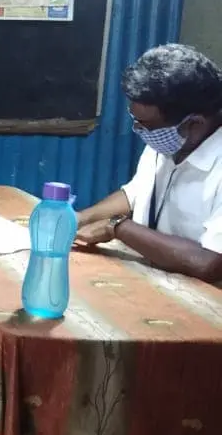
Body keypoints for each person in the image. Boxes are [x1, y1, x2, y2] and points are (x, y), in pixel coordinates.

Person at [76, 43, 222, 283]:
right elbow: (137, 193)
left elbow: (209, 263)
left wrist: (117, 227)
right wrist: (80, 218)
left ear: (194, 124)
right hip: (156, 280)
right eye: (136, 120)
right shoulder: (171, 138)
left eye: (147, 125)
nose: (139, 129)